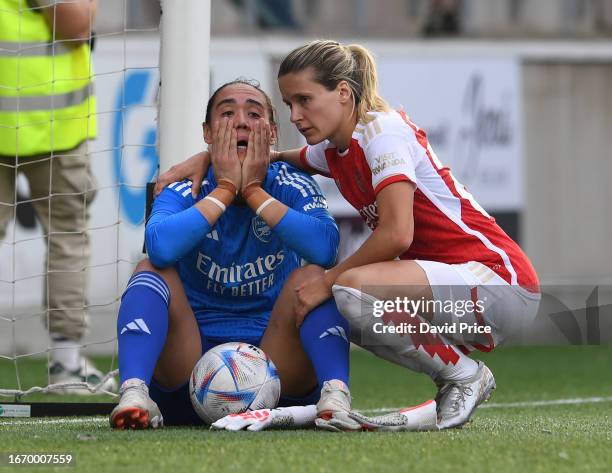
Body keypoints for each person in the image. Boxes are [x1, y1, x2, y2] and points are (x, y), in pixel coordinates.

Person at [158, 40, 541, 431]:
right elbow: (262, 158)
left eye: (304, 100)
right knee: (349, 297)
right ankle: (458, 377)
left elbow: (396, 235)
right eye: (289, 104)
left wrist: (327, 280)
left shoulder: (382, 132)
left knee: (349, 289)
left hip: (499, 281)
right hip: (460, 293)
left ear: (343, 92)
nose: (295, 115)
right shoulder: (335, 150)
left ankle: (464, 376)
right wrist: (207, 157)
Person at [110, 79, 351, 429]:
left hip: (278, 369)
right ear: (207, 133)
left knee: (313, 277)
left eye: (253, 113)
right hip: (188, 368)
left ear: (271, 133)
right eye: (227, 113)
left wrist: (252, 191)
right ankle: (134, 393)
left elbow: (325, 249)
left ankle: (335, 395)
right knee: (149, 268)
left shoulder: (290, 182)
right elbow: (159, 247)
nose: (240, 121)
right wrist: (225, 189)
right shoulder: (185, 184)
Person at [0, 0, 116, 393]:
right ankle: (66, 364)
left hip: (42, 119)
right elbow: (75, 23)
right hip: (53, 124)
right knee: (67, 236)